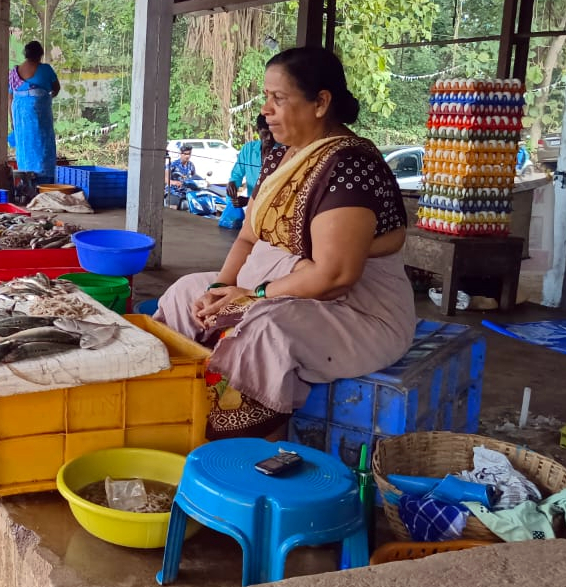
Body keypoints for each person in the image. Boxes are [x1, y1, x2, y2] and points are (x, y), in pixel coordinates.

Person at [155, 47, 416, 440]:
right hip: (284, 290)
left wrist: (253, 296)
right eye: (266, 97)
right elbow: (247, 236)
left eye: (279, 98)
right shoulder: (281, 158)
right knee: (183, 295)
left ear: (321, 102)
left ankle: (235, 450)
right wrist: (219, 289)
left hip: (356, 312)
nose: (266, 110)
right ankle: (166, 410)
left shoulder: (349, 166)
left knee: (262, 328)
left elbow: (334, 276)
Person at [8, 41, 61, 183]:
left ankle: (26, 178)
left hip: (19, 114)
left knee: (24, 145)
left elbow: (10, 98)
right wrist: (46, 96)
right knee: (42, 145)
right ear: (40, 54)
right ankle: (43, 180)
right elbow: (56, 88)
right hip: (38, 113)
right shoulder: (45, 69)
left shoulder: (14, 72)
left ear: (25, 54)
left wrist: (12, 120)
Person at [219, 115, 275, 229]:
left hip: (273, 213)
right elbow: (236, 175)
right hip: (252, 214)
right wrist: (232, 185)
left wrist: (250, 201)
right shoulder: (248, 150)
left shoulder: (283, 153)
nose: (269, 138)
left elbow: (278, 191)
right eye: (265, 134)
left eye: (272, 133)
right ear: (257, 131)